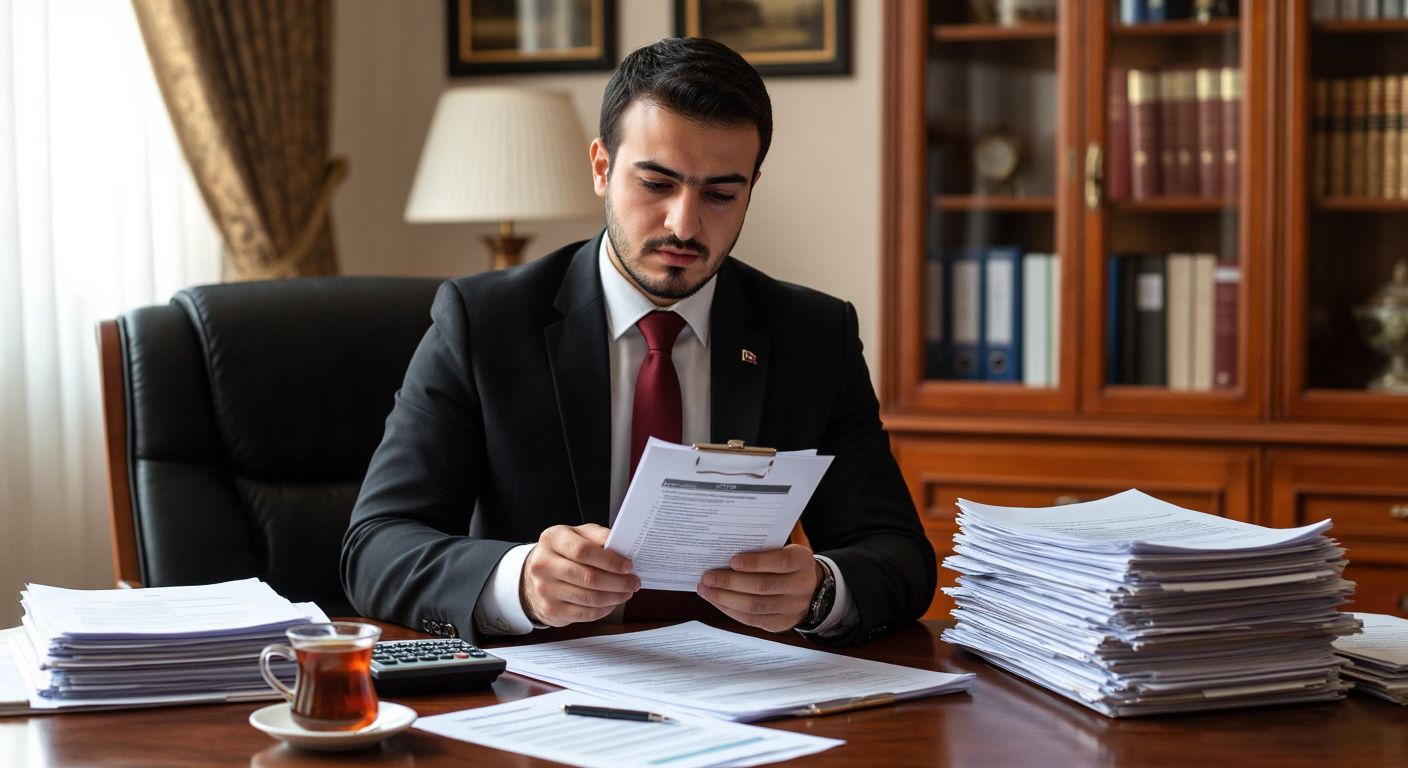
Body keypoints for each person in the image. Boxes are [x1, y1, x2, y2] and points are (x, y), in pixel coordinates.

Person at [341, 37, 934, 647]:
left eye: (722, 195)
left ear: (752, 187)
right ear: (601, 166)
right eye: (656, 184)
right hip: (544, 692)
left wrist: (820, 592)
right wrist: (517, 581)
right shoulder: (484, 322)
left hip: (747, 695)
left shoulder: (813, 335)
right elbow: (377, 545)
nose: (684, 223)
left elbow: (901, 557)